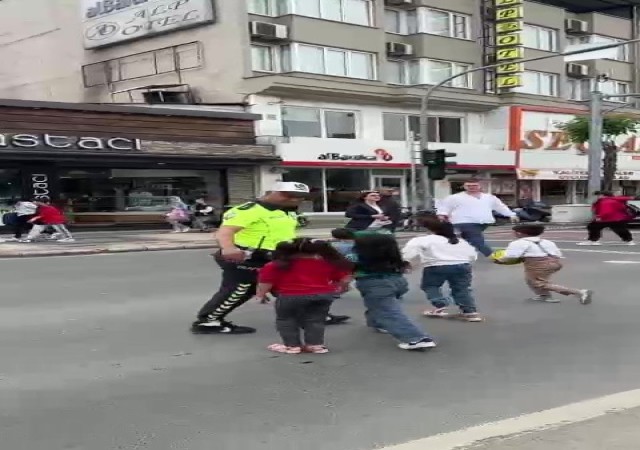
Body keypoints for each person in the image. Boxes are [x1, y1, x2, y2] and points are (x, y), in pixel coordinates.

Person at [191, 182, 349, 335]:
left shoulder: (288, 210)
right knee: (241, 288)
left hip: (278, 255)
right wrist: (228, 248)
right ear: (272, 193)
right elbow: (226, 231)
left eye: (300, 197)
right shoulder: (248, 210)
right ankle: (209, 321)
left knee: (294, 286)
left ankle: (311, 316)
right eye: (288, 195)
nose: (294, 199)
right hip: (247, 257)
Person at [256, 238, 353, 354]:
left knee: (286, 319)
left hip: (290, 295)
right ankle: (315, 345)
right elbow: (344, 278)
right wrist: (340, 287)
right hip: (322, 295)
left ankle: (292, 346)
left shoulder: (276, 265)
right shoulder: (326, 263)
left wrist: (261, 295)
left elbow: (266, 282)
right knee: (316, 320)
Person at [353, 233, 436, 351]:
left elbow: (344, 266)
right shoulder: (394, 256)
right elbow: (408, 267)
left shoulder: (357, 257)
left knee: (387, 311)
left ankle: (418, 338)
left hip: (375, 285)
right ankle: (379, 323)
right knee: (381, 306)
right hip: (397, 282)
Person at [402, 216, 482, 322]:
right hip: (462, 265)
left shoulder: (423, 239)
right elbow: (473, 255)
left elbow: (408, 252)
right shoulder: (459, 241)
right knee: (462, 289)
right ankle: (470, 312)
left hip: (436, 266)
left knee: (430, 286)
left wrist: (405, 262)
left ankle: (440, 304)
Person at [498, 224, 593, 304]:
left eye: (513, 232)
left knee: (539, 283)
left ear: (519, 233)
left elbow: (512, 256)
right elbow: (558, 254)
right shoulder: (547, 241)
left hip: (536, 264)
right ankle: (544, 296)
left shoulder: (518, 243)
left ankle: (580, 292)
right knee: (530, 280)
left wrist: (499, 260)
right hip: (554, 263)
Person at [437, 179, 518, 257]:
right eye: (469, 186)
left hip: (484, 222)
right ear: (464, 186)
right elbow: (444, 207)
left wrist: (511, 215)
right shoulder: (454, 197)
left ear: (480, 186)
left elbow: (500, 207)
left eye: (474, 185)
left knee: (469, 239)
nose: (472, 187)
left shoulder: (489, 197)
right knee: (476, 239)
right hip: (464, 222)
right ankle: (492, 255)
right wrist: (441, 215)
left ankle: (457, 252)